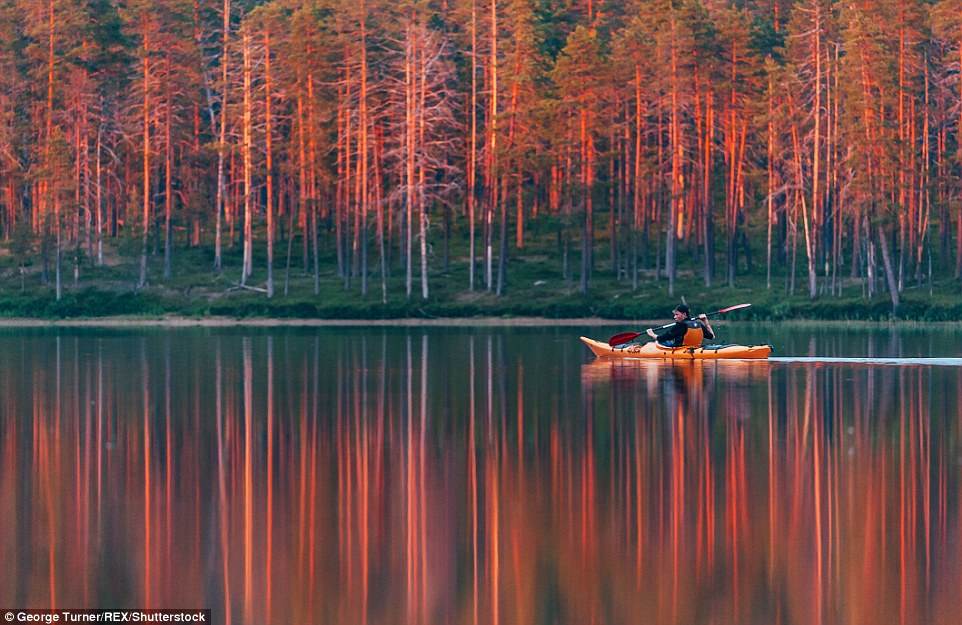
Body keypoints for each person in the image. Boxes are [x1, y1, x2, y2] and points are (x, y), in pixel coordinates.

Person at [646, 304, 715, 348]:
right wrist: (705, 321)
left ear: (684, 315)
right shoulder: (698, 324)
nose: (674, 317)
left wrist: (651, 334)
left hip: (681, 350)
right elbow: (712, 337)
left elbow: (661, 338)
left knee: (661, 342)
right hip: (696, 349)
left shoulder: (680, 325)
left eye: (677, 314)